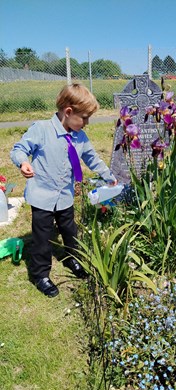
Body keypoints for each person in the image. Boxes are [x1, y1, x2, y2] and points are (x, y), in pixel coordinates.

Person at [11, 83, 117, 298]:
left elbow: (91, 159)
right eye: (84, 118)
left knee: (70, 231)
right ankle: (40, 274)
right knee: (42, 236)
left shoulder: (80, 137)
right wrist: (23, 163)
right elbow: (19, 148)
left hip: (65, 196)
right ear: (68, 112)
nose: (87, 123)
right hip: (42, 195)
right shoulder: (41, 130)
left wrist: (108, 176)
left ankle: (73, 258)